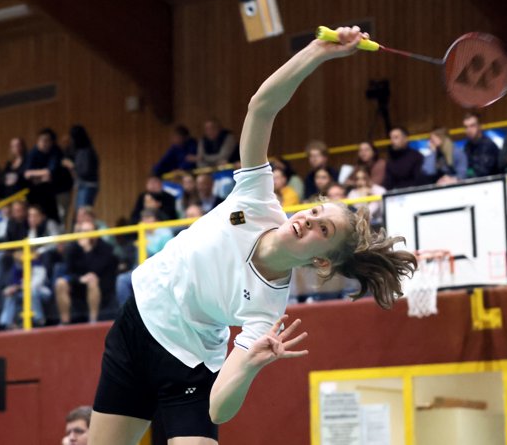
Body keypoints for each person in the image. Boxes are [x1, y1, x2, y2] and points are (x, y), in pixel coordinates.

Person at [88, 26, 416, 444]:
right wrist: (317, 52)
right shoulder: (257, 199)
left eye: (322, 229)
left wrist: (248, 366)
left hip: (188, 366)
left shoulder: (266, 310)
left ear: (321, 261)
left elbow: (219, 406)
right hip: (138, 326)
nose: (306, 221)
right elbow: (262, 107)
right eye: (314, 211)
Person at [54, 221, 119, 324]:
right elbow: (68, 271)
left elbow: (98, 270)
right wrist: (79, 279)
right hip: (78, 284)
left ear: (95, 233)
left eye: (88, 231)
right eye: (82, 231)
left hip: (100, 286)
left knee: (92, 280)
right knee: (60, 283)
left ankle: (93, 321)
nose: (85, 234)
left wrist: (88, 250)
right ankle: (64, 322)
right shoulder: (73, 248)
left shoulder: (105, 248)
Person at [63, 124, 100, 209]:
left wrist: (72, 166)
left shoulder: (86, 151)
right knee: (78, 210)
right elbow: (67, 156)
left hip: (88, 184)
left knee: (82, 210)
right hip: (82, 185)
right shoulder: (79, 150)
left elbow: (85, 171)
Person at [462, 112, 501, 178]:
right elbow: (467, 169)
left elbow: (483, 172)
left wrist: (468, 173)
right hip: (476, 184)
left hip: (492, 184)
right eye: (466, 127)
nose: (469, 130)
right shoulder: (467, 146)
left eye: (472, 126)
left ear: (480, 126)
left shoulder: (488, 145)